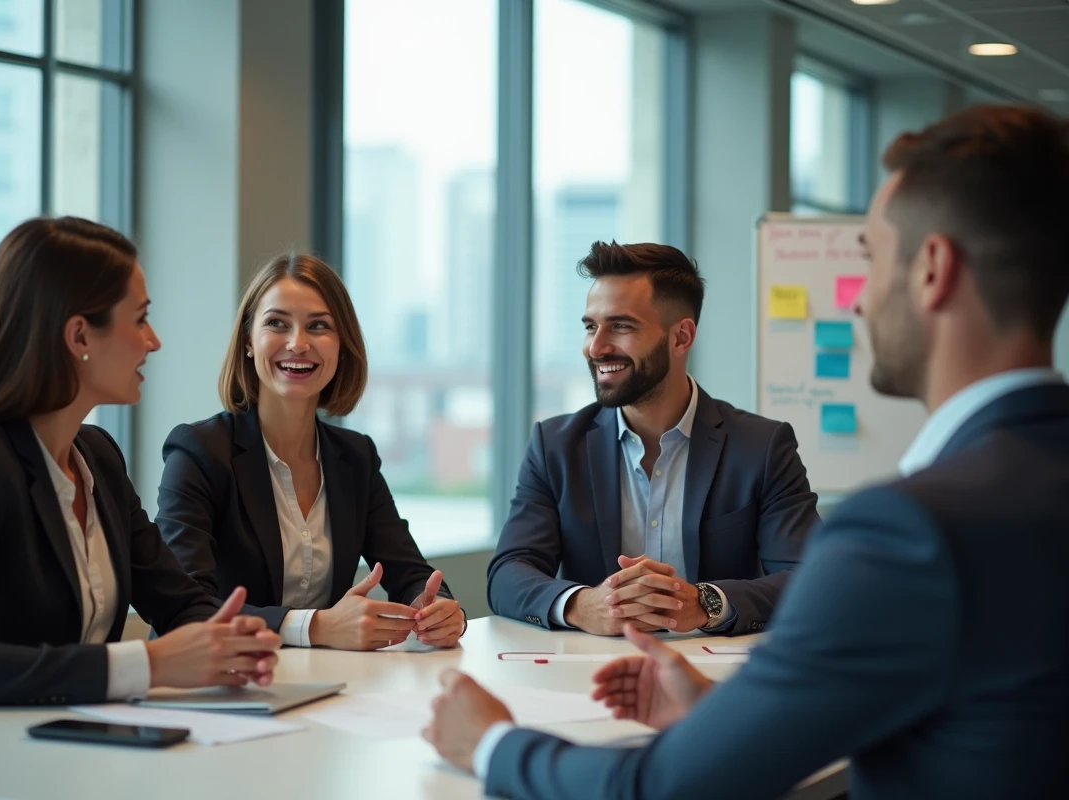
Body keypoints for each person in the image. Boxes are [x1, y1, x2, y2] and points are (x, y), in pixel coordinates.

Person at [425, 103, 1069, 798]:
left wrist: (490, 741)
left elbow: (664, 787)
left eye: (871, 260)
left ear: (932, 269)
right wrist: (715, 714)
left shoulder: (906, 531)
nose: (856, 303)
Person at [0, 217, 280, 717]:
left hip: (55, 751)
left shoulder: (98, 458)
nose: (154, 342)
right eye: (140, 318)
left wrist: (229, 637)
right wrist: (145, 664)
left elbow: (178, 602)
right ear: (80, 335)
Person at [488, 242, 819, 637]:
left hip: (719, 674)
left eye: (621, 326)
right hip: (589, 672)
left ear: (681, 338)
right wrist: (581, 605)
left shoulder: (762, 446)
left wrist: (706, 603)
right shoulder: (555, 445)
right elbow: (507, 574)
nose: (596, 347)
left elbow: (808, 577)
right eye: (591, 326)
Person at [156, 253, 465, 651]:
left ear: (342, 346)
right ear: (248, 341)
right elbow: (186, 605)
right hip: (215, 684)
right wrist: (314, 626)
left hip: (323, 686)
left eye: (318, 326)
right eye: (277, 324)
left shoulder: (356, 457)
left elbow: (409, 572)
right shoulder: (198, 452)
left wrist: (435, 607)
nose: (298, 343)